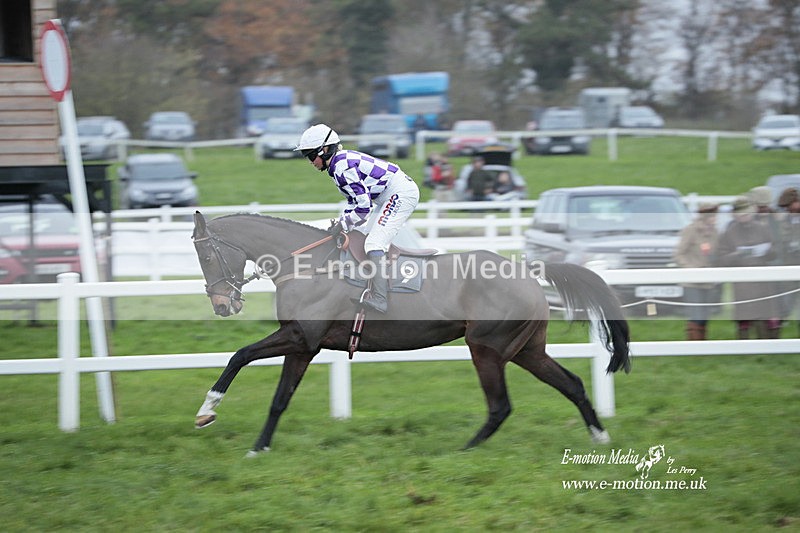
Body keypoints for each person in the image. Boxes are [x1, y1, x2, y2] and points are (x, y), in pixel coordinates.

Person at [295, 123, 420, 313]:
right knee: (358, 236)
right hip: (387, 195)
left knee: (374, 244)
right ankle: (364, 282)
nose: (311, 161)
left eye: (311, 155)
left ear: (325, 150)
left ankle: (380, 298)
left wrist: (343, 223)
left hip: (399, 194)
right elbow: (355, 203)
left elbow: (363, 208)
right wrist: (342, 223)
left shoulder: (342, 167)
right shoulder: (338, 165)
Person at [716, 196, 780, 339]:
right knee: (744, 314)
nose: (744, 217)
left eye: (746, 214)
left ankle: (769, 342)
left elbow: (774, 251)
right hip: (742, 280)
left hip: (762, 278)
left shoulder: (762, 229)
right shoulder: (729, 232)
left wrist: (767, 251)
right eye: (741, 215)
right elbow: (722, 258)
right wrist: (737, 255)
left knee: (767, 311)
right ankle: (743, 343)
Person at [673, 202, 720, 340]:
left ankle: (702, 343)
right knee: (696, 313)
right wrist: (690, 268)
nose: (715, 218)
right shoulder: (691, 230)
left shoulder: (715, 232)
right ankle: (693, 343)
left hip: (708, 280)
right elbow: (679, 254)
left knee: (705, 314)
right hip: (692, 282)